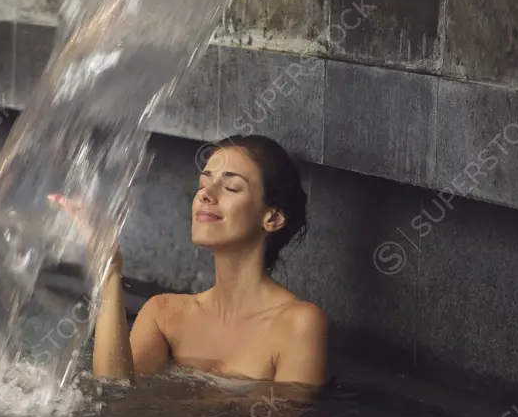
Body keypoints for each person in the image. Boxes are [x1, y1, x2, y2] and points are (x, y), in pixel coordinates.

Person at [54, 134, 329, 386]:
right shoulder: (164, 315)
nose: (206, 195)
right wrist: (109, 269)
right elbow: (111, 396)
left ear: (272, 218)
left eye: (232, 187)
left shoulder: (298, 325)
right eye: (203, 184)